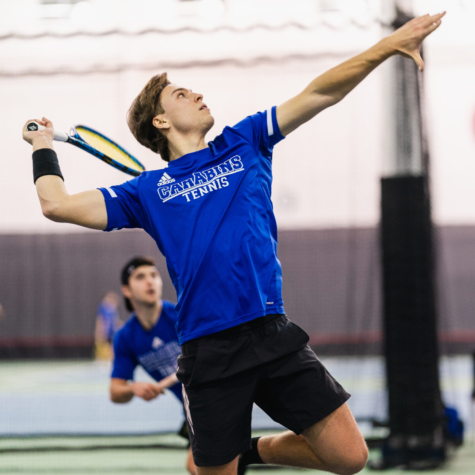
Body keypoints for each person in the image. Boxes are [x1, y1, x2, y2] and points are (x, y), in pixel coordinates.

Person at [23, 12, 445, 475]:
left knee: (350, 457)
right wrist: (43, 146)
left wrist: (388, 46)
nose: (198, 94)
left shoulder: (245, 143)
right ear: (160, 120)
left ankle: (254, 451)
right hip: (209, 349)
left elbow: (321, 92)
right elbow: (56, 205)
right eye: (181, 94)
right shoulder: (146, 191)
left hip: (271, 330)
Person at [109, 256, 196, 475]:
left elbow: (201, 360)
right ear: (126, 291)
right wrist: (133, 388)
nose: (150, 282)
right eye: (140, 277)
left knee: (196, 466)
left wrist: (163, 384)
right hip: (191, 410)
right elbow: (115, 392)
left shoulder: (180, 315)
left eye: (154, 275)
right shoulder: (125, 338)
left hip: (216, 398)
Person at [95, 291, 120, 360]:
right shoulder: (103, 308)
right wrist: (99, 331)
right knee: (101, 348)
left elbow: (115, 321)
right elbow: (100, 320)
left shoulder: (113, 310)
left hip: (112, 332)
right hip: (104, 332)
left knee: (111, 348)